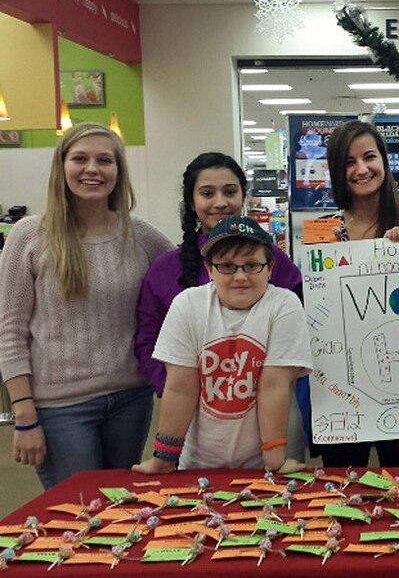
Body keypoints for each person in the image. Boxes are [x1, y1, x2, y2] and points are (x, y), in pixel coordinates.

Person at [0, 122, 173, 488]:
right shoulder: (29, 236)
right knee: (78, 512)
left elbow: (192, 276)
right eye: (80, 159)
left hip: (131, 399)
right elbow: (10, 329)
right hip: (60, 407)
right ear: (61, 167)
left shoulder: (140, 235)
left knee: (119, 510)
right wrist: (24, 413)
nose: (92, 169)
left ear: (118, 172)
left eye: (104, 160)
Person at [133, 215, 312, 474]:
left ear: (270, 267)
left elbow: (274, 385)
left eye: (252, 265)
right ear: (209, 269)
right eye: (227, 266)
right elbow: (180, 388)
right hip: (200, 462)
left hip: (265, 462)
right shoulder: (187, 304)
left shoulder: (284, 305)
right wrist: (164, 458)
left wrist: (274, 458)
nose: (240, 276)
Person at [316, 119, 399, 467]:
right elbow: (311, 304)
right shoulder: (323, 233)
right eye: (348, 162)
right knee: (342, 482)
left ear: (384, 161)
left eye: (369, 157)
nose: (361, 169)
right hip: (340, 385)